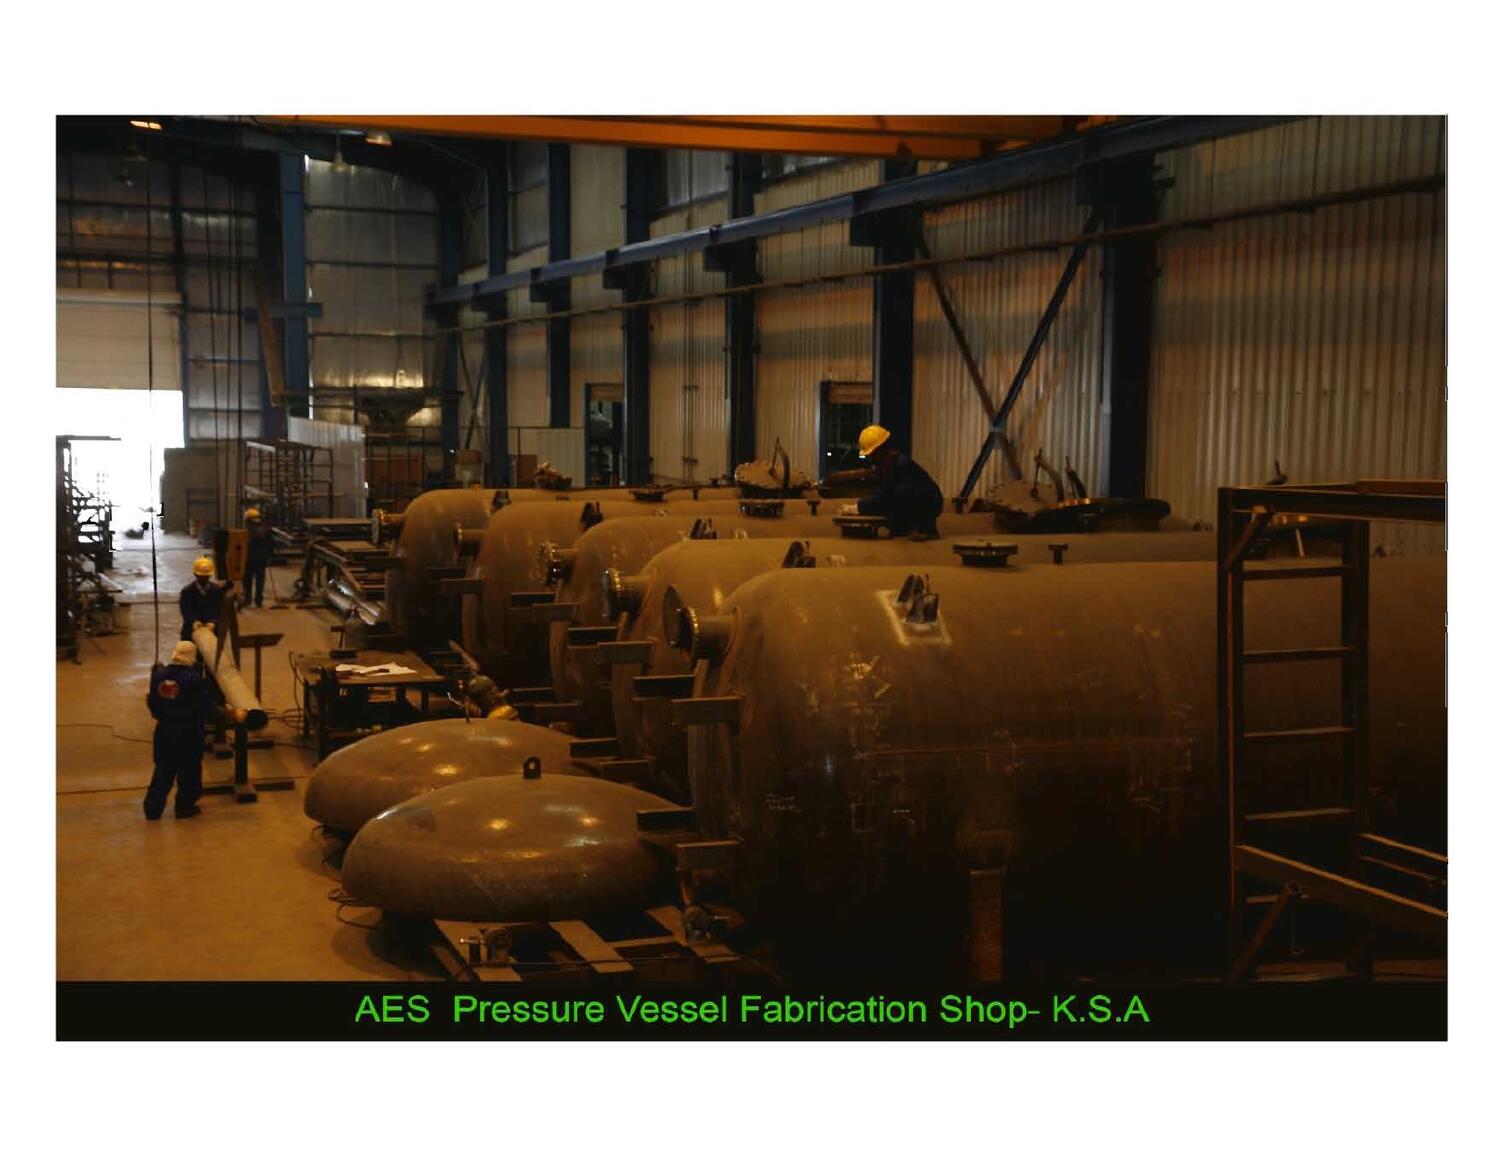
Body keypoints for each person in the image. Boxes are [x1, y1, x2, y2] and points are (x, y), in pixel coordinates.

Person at [143, 641, 212, 820]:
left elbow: (153, 704)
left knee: (163, 771)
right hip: (189, 734)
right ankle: (184, 807)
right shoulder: (194, 680)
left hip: (164, 732)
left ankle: (152, 809)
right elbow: (204, 707)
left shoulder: (158, 675)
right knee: (189, 772)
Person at [850, 424, 945, 540]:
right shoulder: (888, 466)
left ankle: (922, 528)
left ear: (881, 450)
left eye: (872, 454)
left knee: (901, 493)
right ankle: (905, 528)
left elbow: (885, 497)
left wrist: (859, 507)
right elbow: (882, 493)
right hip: (925, 500)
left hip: (931, 503)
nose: (871, 459)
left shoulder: (901, 465)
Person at [179, 556, 226, 641]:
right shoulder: (187, 592)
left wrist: (213, 621)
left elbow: (220, 609)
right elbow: (185, 611)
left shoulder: (217, 591)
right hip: (191, 629)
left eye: (206, 576)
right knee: (186, 647)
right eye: (201, 576)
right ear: (195, 574)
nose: (204, 578)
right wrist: (193, 621)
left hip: (213, 629)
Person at [243, 508, 274, 608]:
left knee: (247, 579)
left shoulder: (249, 531)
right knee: (260, 580)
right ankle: (258, 601)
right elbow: (271, 543)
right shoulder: (265, 529)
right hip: (261, 558)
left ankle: (247, 600)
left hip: (250, 558)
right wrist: (270, 555)